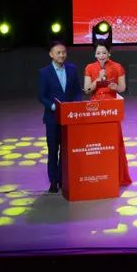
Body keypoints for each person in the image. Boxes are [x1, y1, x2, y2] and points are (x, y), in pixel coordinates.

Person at [83, 43, 132, 187]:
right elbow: (87, 89)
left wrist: (115, 87)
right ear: (95, 54)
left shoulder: (117, 67)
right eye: (98, 53)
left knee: (113, 141)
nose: (101, 56)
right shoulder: (89, 67)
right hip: (95, 107)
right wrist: (98, 79)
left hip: (111, 106)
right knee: (97, 141)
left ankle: (116, 175)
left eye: (104, 53)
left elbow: (122, 88)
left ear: (109, 53)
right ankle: (98, 173)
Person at [36, 40, 82, 194]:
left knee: (66, 150)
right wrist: (53, 106)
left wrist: (76, 104)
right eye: (58, 53)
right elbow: (41, 96)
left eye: (64, 52)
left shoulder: (72, 69)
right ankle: (53, 181)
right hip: (52, 118)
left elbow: (77, 91)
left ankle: (63, 178)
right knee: (53, 150)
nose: (62, 55)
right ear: (51, 54)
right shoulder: (44, 72)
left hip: (69, 117)